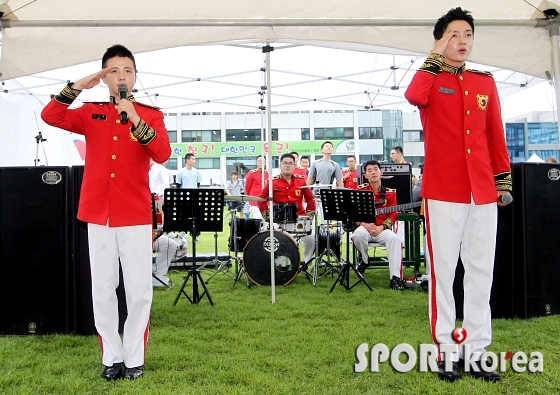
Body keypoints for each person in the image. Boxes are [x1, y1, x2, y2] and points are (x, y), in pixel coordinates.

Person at [41, 44, 171, 381]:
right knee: (103, 288)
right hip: (99, 213)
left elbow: (161, 153)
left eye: (127, 70)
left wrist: (137, 118)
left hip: (135, 214)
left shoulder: (150, 114)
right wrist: (77, 86)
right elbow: (50, 115)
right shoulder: (90, 111)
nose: (121, 76)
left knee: (139, 290)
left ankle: (134, 358)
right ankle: (111, 356)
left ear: (135, 77)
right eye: (113, 71)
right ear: (105, 77)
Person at [405, 7, 512, 382]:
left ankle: (477, 350)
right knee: (443, 272)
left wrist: (502, 183)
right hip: (444, 190)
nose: (462, 40)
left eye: (467, 33)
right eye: (453, 34)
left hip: (482, 190)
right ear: (440, 39)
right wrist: (435, 55)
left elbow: (495, 136)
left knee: (481, 273)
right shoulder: (431, 79)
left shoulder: (485, 82)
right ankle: (446, 351)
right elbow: (413, 94)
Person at [351, 160, 403, 290]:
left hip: (381, 229)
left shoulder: (390, 193)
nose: (373, 172)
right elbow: (352, 213)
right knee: (357, 234)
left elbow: (393, 214)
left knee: (395, 239)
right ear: (365, 176)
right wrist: (363, 224)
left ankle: (395, 278)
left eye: (375, 169)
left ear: (381, 172)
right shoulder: (359, 191)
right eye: (369, 170)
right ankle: (365, 259)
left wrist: (381, 228)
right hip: (364, 228)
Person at [257, 153, 317, 266]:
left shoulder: (301, 181)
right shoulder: (273, 182)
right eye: (285, 163)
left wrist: (309, 215)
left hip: (299, 217)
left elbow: (310, 199)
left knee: (311, 238)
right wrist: (268, 217)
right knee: (270, 238)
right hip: (278, 220)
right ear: (280, 165)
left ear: (294, 166)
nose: (288, 166)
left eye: (291, 163)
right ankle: (275, 264)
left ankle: (305, 262)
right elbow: (261, 199)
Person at [244, 155, 269, 219]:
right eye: (259, 161)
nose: (261, 163)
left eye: (262, 161)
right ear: (256, 163)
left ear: (265, 163)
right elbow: (247, 187)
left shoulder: (268, 174)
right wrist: (249, 199)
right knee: (258, 219)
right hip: (255, 200)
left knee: (266, 219)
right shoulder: (251, 173)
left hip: (265, 201)